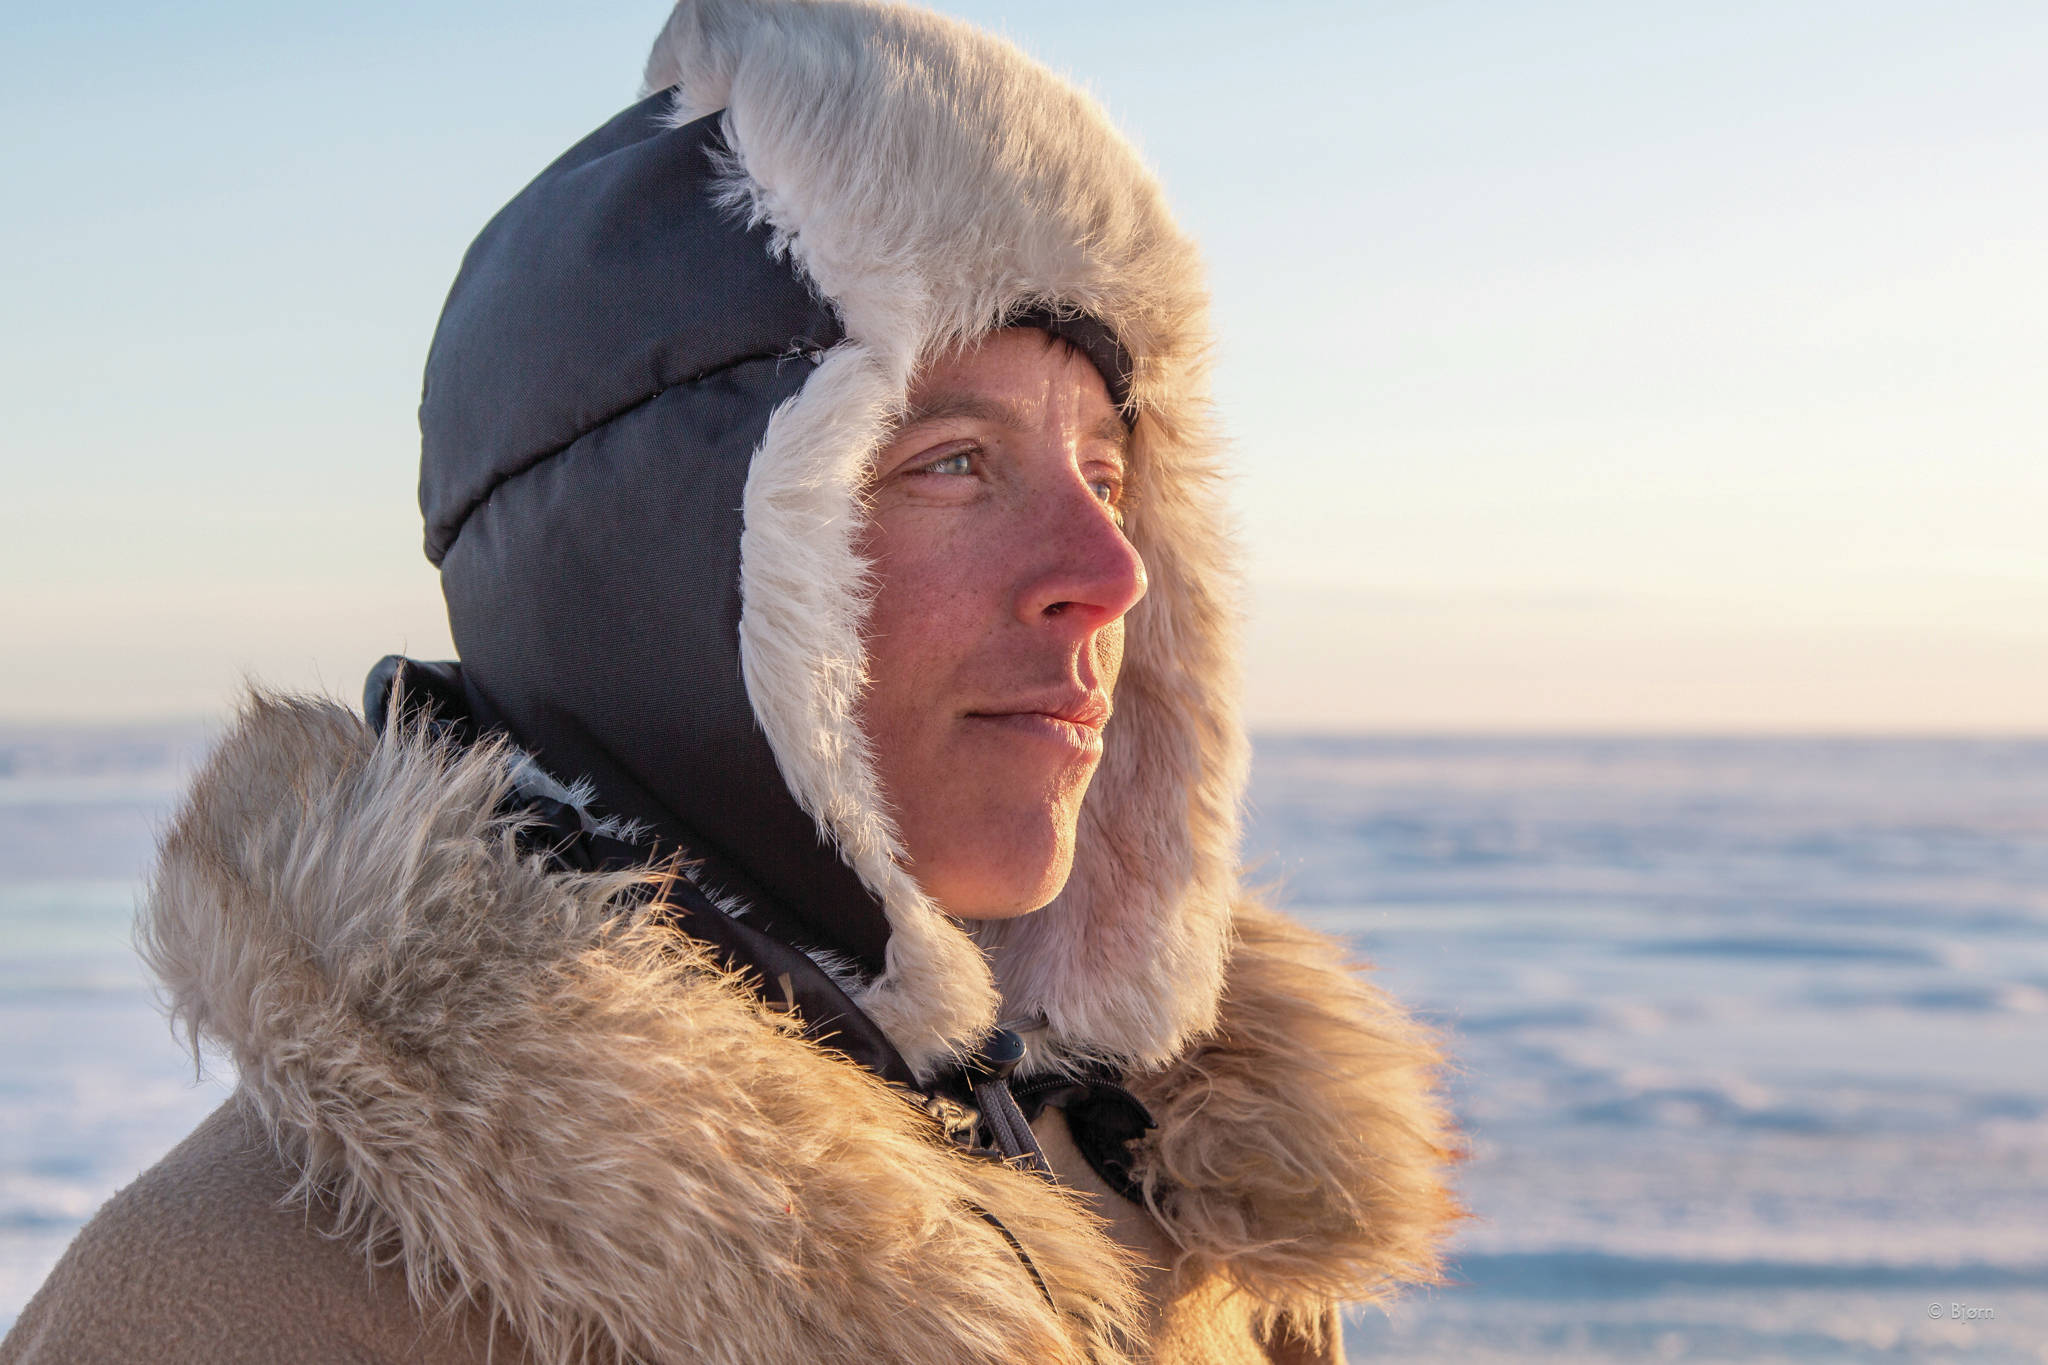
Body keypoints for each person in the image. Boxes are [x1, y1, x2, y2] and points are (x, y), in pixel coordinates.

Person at [1, 2, 1460, 1361]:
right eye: (951, 460)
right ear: (660, 560)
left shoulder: (1183, 1207)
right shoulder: (256, 1300)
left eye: (1107, 470)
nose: (1106, 567)